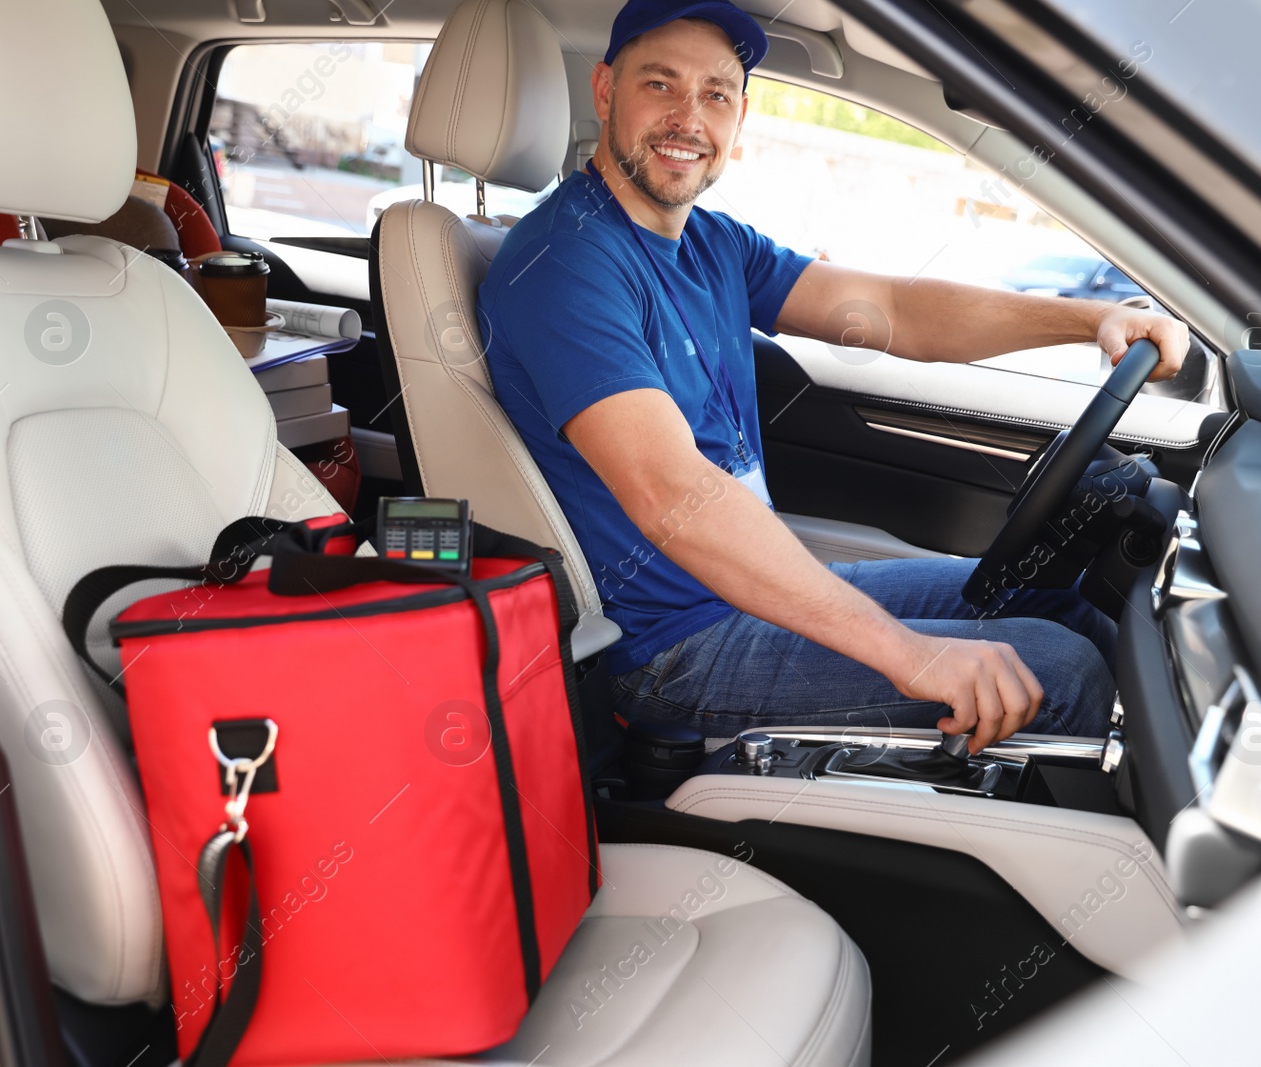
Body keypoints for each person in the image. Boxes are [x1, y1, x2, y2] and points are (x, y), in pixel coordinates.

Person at [478, 0, 1189, 750]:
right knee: (1062, 671)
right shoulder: (565, 262)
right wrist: (909, 654)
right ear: (604, 92)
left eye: (715, 94)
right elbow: (671, 493)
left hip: (745, 597)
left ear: (739, 118)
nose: (688, 117)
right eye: (660, 85)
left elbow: (893, 310)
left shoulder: (711, 241)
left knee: (1059, 598)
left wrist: (1087, 320)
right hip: (670, 649)